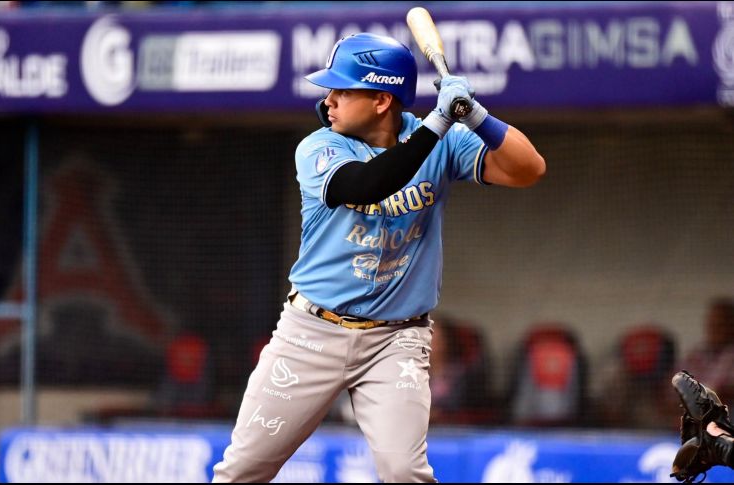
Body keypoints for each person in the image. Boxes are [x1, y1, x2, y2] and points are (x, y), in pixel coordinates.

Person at [212, 32, 545, 483]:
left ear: (382, 100)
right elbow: (367, 184)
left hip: (396, 340)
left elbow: (529, 169)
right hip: (312, 332)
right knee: (242, 471)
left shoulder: (444, 140)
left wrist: (476, 116)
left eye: (342, 90)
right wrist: (439, 122)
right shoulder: (319, 147)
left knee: (405, 471)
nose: (328, 100)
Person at [677, 297, 734, 406]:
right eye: (712, 324)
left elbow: (724, 393)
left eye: (720, 325)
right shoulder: (695, 355)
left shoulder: (731, 355)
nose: (715, 330)